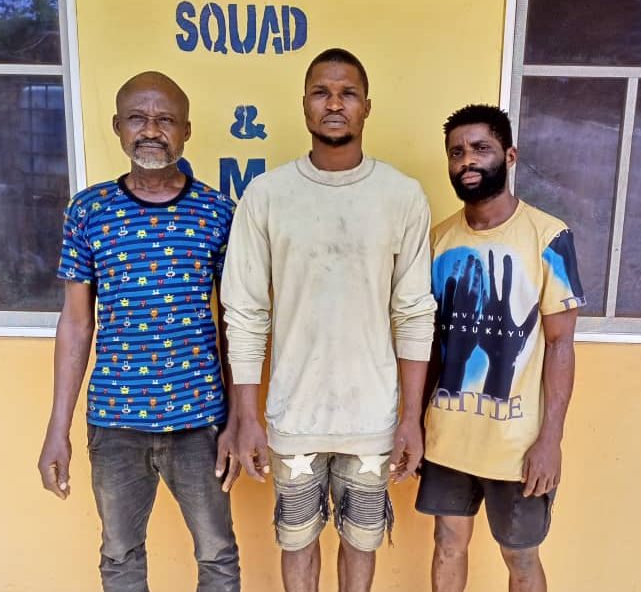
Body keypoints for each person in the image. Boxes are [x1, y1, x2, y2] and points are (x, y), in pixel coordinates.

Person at [220, 48, 436, 592]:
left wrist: (411, 418)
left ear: (367, 107)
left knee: (362, 544)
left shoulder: (402, 196)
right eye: (322, 92)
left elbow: (414, 313)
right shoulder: (267, 195)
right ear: (304, 105)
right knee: (296, 542)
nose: (334, 104)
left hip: (372, 417)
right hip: (294, 416)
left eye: (347, 93)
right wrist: (246, 416)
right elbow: (245, 311)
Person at [37, 71, 241, 592]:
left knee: (218, 555)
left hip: (200, 422)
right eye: (138, 118)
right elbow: (76, 323)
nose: (151, 130)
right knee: (120, 556)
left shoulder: (218, 213)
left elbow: (235, 323)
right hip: (115, 423)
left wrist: (239, 420)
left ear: (186, 131)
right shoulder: (89, 211)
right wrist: (57, 428)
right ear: (117, 127)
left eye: (165, 119)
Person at [416, 105, 585, 592]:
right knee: (448, 543)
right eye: (456, 152)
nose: (467, 160)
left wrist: (550, 441)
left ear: (509, 156)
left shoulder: (549, 237)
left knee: (521, 556)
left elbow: (561, 344)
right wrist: (416, 423)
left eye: (480, 148)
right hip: (448, 435)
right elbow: (428, 345)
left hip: (517, 444)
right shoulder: (438, 240)